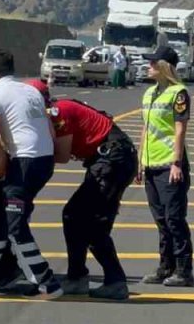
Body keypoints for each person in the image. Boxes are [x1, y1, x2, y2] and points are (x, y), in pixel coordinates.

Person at [31, 78, 138, 300]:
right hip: (108, 160)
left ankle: (115, 281)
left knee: (92, 223)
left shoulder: (57, 113)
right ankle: (77, 276)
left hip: (113, 160)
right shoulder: (53, 113)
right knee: (73, 215)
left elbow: (60, 156)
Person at [0, 48, 62, 299]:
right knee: (0, 216)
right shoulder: (33, 90)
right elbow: (52, 132)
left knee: (15, 225)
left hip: (24, 161)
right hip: (43, 160)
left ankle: (47, 282)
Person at [138, 45, 194, 287]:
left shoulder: (178, 93)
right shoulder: (149, 93)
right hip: (151, 164)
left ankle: (184, 269)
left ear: (165, 66)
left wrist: (176, 162)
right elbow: (145, 128)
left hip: (169, 164)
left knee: (174, 218)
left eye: (153, 63)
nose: (148, 66)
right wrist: (140, 160)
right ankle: (165, 266)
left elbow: (180, 129)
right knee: (160, 219)